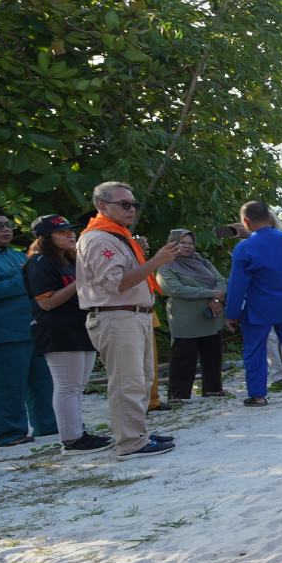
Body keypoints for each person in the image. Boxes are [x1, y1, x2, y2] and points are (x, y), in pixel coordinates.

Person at [77, 183, 181, 455]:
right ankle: (130, 442)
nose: (132, 209)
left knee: (142, 379)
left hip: (131, 316)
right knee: (127, 382)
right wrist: (155, 261)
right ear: (102, 206)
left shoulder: (117, 236)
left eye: (133, 204)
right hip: (116, 316)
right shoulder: (99, 238)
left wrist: (141, 256)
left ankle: (137, 432)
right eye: (124, 204)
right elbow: (117, 283)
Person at [0, 203, 57, 448]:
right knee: (5, 388)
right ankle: (9, 433)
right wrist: (23, 278)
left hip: (31, 329)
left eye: (8, 224)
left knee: (43, 383)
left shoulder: (17, 255)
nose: (6, 229)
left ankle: (49, 425)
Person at [21, 215, 110, 453]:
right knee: (67, 386)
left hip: (78, 326)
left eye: (70, 230)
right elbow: (47, 303)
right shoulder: (39, 262)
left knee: (77, 386)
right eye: (62, 232)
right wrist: (80, 281)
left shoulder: (68, 259)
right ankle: (71, 439)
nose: (70, 235)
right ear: (44, 238)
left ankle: (77, 432)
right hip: (57, 329)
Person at [225, 200, 282, 407]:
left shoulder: (243, 248)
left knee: (255, 350)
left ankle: (258, 396)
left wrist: (231, 312)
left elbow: (237, 284)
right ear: (269, 217)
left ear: (245, 221)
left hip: (258, 306)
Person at [155, 230, 229, 404]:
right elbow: (177, 290)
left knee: (212, 352)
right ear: (172, 244)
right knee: (183, 356)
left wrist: (216, 299)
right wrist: (211, 293)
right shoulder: (165, 265)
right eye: (182, 243)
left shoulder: (202, 262)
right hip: (185, 318)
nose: (187, 246)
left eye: (190, 243)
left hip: (211, 315)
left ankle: (213, 388)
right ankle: (177, 394)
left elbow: (220, 281)